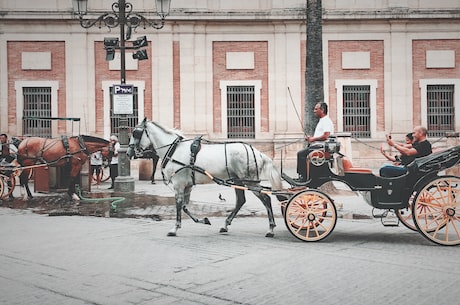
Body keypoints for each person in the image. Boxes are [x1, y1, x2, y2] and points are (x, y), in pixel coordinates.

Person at [296, 102, 334, 181]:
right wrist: (311, 138)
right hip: (317, 146)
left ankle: (303, 177)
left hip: (320, 148)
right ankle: (303, 176)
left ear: (322, 110)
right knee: (302, 153)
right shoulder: (322, 121)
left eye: (316, 109)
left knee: (301, 154)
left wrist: (313, 139)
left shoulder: (326, 121)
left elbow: (326, 136)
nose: (314, 111)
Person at [0, 133, 18, 200]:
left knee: (9, 179)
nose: (2, 140)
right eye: (1, 138)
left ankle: (10, 195)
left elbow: (16, 152)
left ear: (6, 139)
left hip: (8, 165)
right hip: (1, 163)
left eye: (3, 138)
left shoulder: (10, 145)